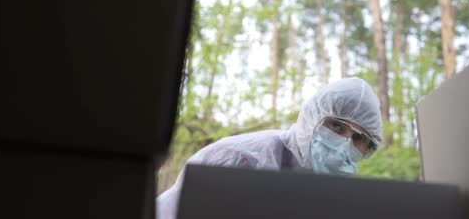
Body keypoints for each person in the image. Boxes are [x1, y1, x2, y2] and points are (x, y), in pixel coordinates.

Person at [156, 77, 383, 219]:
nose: (344, 143)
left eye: (358, 139)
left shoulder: (337, 197)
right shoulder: (240, 159)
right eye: (336, 125)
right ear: (312, 116)